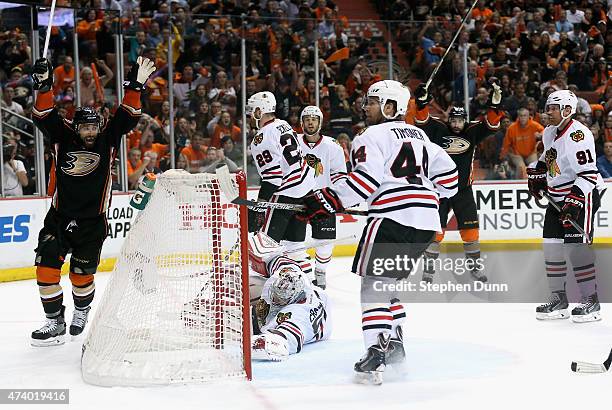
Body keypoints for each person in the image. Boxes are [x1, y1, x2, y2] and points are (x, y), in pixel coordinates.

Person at [301, 80, 458, 383]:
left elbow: (364, 182)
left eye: (373, 102)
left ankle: (376, 350)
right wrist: (422, 196)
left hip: (391, 220)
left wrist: (324, 200)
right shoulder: (422, 135)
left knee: (373, 285)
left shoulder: (370, 135)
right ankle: (395, 342)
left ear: (390, 107)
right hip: (424, 224)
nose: (366, 107)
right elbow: (450, 178)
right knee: (389, 283)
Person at [29, 56, 156, 346]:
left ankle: (81, 311)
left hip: (92, 223)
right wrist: (44, 86)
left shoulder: (107, 138)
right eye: (84, 128)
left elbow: (128, 116)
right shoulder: (62, 136)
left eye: (93, 127)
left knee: (80, 277)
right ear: (75, 128)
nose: (89, 132)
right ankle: (54, 322)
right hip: (58, 218)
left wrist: (135, 86)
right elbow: (42, 113)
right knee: (46, 269)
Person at [414, 80, 503, 283]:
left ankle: (475, 269)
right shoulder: (438, 129)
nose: (456, 124)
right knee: (436, 232)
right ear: (449, 120)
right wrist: (421, 102)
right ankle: (428, 271)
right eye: (453, 120)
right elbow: (422, 120)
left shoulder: (471, 132)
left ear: (465, 120)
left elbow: (491, 125)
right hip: (439, 191)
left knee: (471, 231)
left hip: (463, 191)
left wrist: (495, 106)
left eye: (459, 121)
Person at [527, 90, 605, 323]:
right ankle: (559, 299)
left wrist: (574, 201)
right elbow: (547, 160)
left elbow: (589, 175)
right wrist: (537, 175)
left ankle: (591, 301)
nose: (547, 111)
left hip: (583, 193)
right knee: (551, 246)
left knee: (576, 248)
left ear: (567, 111)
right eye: (548, 107)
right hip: (557, 195)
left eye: (552, 108)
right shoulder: (550, 132)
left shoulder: (579, 135)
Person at [247, 91, 315, 239]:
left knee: (264, 244)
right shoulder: (283, 124)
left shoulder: (260, 139)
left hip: (286, 193)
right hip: (305, 189)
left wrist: (260, 206)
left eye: (250, 112)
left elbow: (273, 178)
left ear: (259, 111)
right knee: (294, 246)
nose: (249, 117)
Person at [294, 105, 347, 289]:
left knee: (325, 244)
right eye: (307, 119)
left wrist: (338, 197)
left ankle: (321, 273)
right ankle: (305, 275)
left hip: (322, 201)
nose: (310, 122)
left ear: (320, 122)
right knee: (292, 242)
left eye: (314, 119)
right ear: (301, 123)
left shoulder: (332, 146)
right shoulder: (292, 143)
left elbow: (340, 174)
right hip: (297, 199)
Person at [500, 107, 544, 178]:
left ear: (528, 116)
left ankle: (535, 184)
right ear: (518, 117)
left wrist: (540, 135)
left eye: (525, 115)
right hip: (516, 153)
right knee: (521, 168)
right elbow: (506, 144)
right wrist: (502, 158)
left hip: (531, 153)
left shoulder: (534, 125)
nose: (523, 118)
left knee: (535, 166)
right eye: (521, 115)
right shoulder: (511, 128)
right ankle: (518, 184)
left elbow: (543, 130)